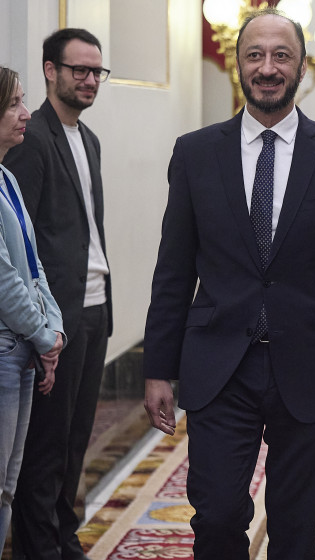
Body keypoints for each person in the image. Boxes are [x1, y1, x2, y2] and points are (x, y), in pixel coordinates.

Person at [142, 9, 315, 560]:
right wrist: (158, 367)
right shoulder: (195, 153)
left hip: (307, 362)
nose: (267, 68)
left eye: (281, 56)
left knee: (295, 530)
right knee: (215, 516)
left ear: (302, 68)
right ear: (238, 64)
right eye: (255, 55)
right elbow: (173, 270)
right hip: (218, 365)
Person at [3, 28, 112, 560]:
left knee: (75, 440)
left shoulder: (88, 139)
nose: (90, 80)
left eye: (97, 71)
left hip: (94, 308)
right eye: (79, 70)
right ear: (51, 71)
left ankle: (66, 539)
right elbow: (22, 247)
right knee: (45, 448)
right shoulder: (32, 140)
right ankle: (39, 548)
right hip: (56, 320)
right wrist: (42, 327)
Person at [0, 66, 65, 553]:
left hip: (23, 349)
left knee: (9, 483)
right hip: (5, 350)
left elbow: (33, 262)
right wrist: (44, 338)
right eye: (13, 104)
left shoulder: (7, 176)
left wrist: (53, 330)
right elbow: (3, 279)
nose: (26, 113)